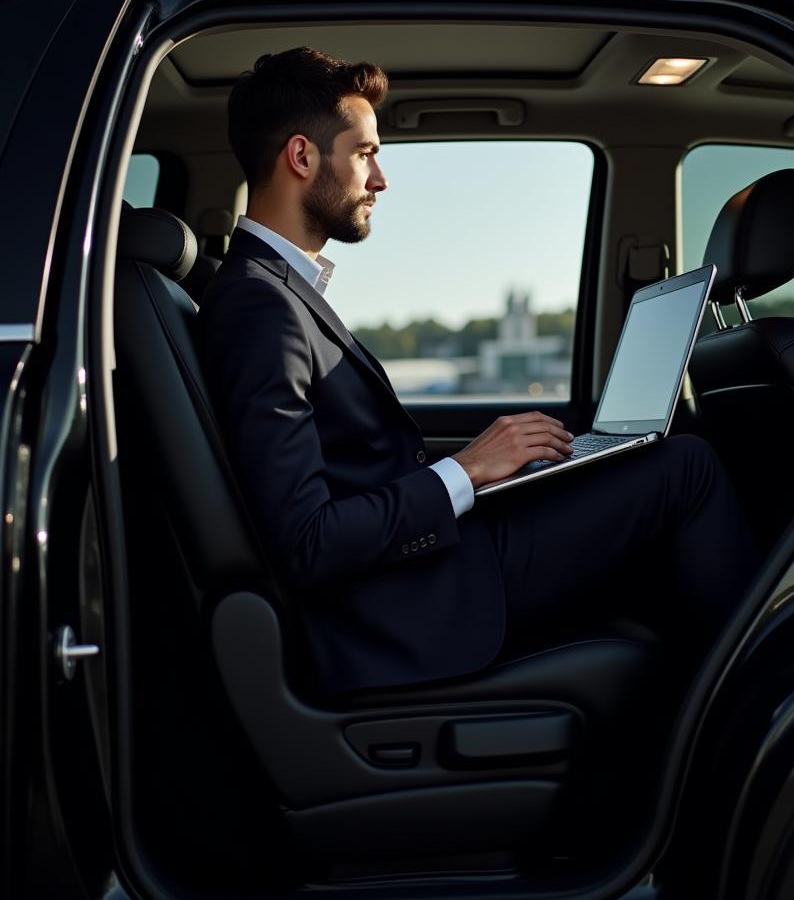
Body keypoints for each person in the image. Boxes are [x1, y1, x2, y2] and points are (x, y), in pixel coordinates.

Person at [197, 47, 759, 697]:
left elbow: (349, 469)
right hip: (410, 609)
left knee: (638, 472)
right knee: (685, 469)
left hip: (431, 570)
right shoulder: (261, 308)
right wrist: (466, 471)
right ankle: (760, 702)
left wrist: (492, 467)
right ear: (301, 157)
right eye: (364, 153)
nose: (379, 180)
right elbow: (307, 540)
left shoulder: (277, 292)